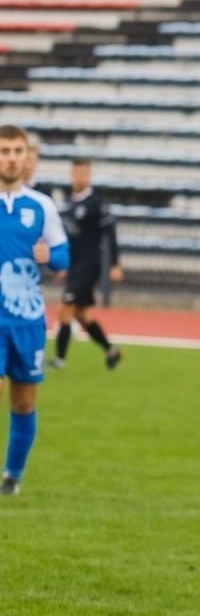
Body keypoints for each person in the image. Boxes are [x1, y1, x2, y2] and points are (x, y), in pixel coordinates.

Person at [0, 125, 69, 496]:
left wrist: (51, 256)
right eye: (4, 150)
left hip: (27, 320)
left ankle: (13, 475)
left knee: (23, 402)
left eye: (16, 151)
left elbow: (62, 255)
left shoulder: (41, 206)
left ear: (26, 157)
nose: (11, 158)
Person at [49, 158, 125, 371]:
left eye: (82, 173)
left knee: (65, 309)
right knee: (83, 317)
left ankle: (59, 359)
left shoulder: (96, 203)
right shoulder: (69, 203)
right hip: (74, 266)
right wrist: (62, 265)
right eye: (75, 173)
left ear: (88, 176)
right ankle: (112, 350)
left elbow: (111, 234)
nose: (78, 177)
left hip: (89, 265)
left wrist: (115, 264)